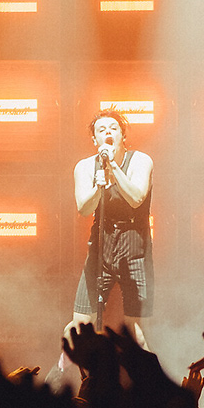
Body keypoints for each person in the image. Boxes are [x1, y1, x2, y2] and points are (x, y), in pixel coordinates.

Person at [60, 111, 155, 358]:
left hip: (134, 244)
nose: (108, 132)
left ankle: (150, 381)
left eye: (113, 128)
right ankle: (66, 377)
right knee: (77, 328)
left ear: (123, 136)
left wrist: (113, 166)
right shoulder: (84, 166)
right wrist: (98, 187)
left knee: (136, 332)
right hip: (101, 243)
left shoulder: (140, 160)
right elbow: (83, 209)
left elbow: (136, 198)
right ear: (94, 139)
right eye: (101, 130)